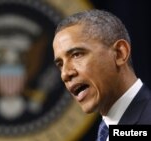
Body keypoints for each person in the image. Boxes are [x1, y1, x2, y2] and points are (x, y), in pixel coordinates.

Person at [52, 9, 151, 141]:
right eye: (60, 64)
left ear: (120, 53)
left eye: (77, 54)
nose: (65, 74)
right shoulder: (109, 130)